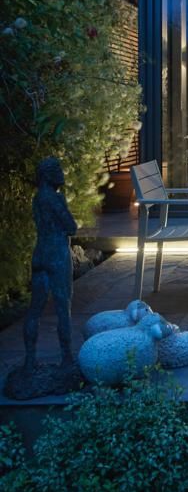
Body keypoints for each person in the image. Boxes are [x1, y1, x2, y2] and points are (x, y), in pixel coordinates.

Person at [23, 157, 77, 373]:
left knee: (34, 311)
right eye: (57, 170)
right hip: (57, 254)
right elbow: (71, 226)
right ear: (47, 174)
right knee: (63, 308)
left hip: (40, 253)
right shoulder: (54, 199)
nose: (61, 174)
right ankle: (66, 358)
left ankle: (29, 361)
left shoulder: (37, 198)